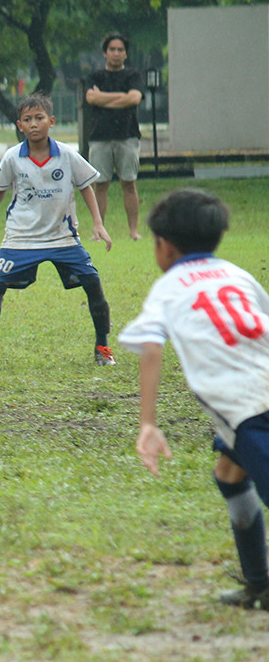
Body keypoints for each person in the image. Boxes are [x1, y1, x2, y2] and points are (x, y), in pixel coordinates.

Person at [119, 188, 269, 610]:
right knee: (230, 473)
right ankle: (259, 583)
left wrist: (147, 424)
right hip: (254, 394)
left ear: (164, 246)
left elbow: (151, 346)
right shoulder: (238, 274)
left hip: (249, 408)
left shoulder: (169, 288)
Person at [0, 93, 115, 369]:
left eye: (39, 118)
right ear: (20, 125)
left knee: (92, 281)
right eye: (28, 120)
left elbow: (86, 186)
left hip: (62, 237)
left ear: (51, 121)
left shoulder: (67, 154)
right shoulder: (12, 157)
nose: (34, 124)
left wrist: (98, 223)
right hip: (21, 237)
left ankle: (102, 346)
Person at [85, 32, 145, 241]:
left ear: (126, 53)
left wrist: (104, 99)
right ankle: (98, 231)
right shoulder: (95, 76)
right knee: (100, 184)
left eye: (120, 49)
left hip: (127, 135)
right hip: (100, 136)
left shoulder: (133, 76)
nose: (116, 53)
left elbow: (135, 98)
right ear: (105, 53)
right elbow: (91, 98)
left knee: (129, 182)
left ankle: (133, 231)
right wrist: (122, 96)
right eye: (112, 49)